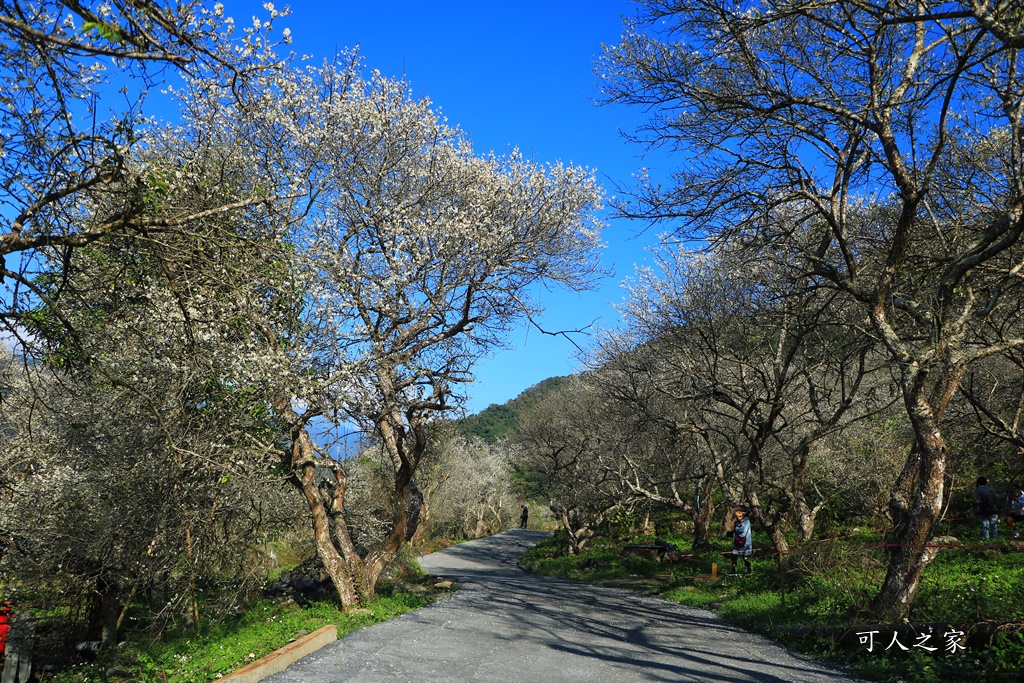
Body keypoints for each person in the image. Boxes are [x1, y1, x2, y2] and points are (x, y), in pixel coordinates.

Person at [974, 476, 1000, 541]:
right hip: (993, 510)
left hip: (982, 511)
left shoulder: (977, 490)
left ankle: (986, 542)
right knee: (994, 527)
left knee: (985, 527)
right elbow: (997, 497)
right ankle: (996, 542)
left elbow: (975, 500)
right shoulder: (991, 488)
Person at [727, 508, 753, 574]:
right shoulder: (737, 522)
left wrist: (735, 528)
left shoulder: (746, 521)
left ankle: (749, 571)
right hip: (738, 542)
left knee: (745, 557)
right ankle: (734, 570)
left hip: (745, 543)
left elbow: (742, 530)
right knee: (734, 555)